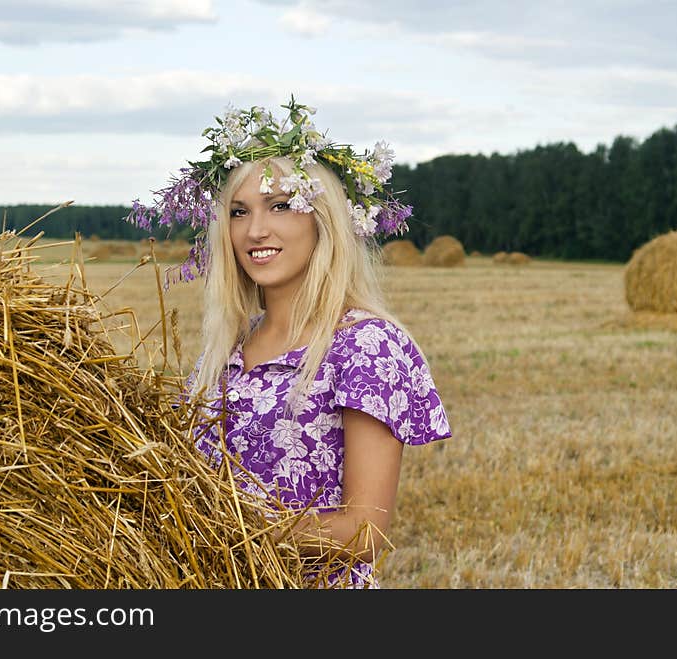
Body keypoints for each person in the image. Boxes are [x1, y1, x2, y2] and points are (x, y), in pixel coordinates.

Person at [126, 97, 451, 588]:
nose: (255, 230)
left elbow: (364, 531)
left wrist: (225, 531)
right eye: (239, 212)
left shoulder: (365, 346)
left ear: (322, 219)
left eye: (280, 206)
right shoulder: (226, 352)